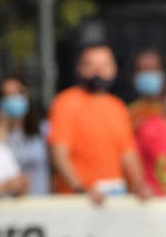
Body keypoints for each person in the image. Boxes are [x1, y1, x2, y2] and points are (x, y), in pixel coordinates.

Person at [47, 43, 152, 202]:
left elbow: (128, 154)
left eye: (105, 65)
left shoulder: (117, 107)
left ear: (114, 69)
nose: (99, 71)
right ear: (80, 69)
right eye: (91, 65)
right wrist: (81, 189)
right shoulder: (66, 102)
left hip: (116, 195)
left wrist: (139, 184)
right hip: (80, 199)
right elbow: (60, 155)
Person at [0, 75, 51, 195]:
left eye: (18, 92)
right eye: (7, 94)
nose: (13, 98)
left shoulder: (43, 130)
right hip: (3, 205)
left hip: (40, 202)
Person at [128, 48, 166, 130]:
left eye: (153, 69)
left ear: (163, 72)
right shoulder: (130, 112)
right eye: (143, 69)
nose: (148, 74)